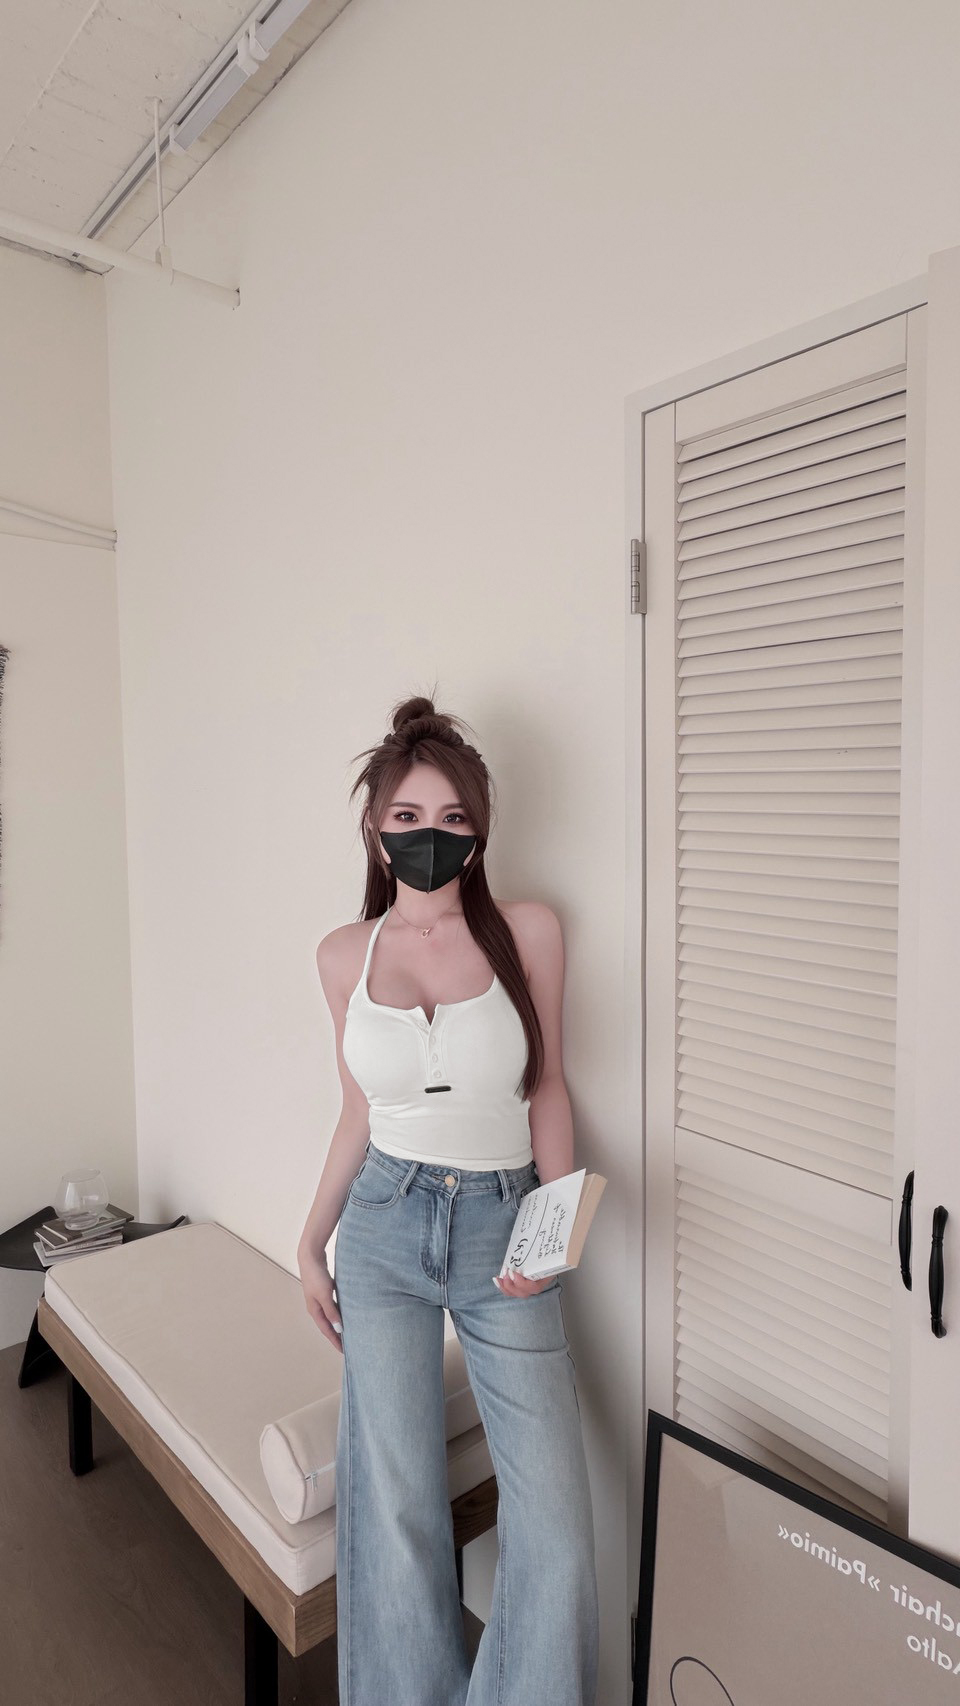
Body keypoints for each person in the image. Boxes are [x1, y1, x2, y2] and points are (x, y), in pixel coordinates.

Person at [297, 693, 599, 1706]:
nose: (431, 836)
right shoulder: (344, 954)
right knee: (395, 1510)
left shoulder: (528, 930)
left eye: (454, 818)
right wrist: (310, 1242)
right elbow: (357, 1111)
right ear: (375, 829)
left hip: (503, 1224)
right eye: (409, 818)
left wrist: (555, 1237)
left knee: (553, 1520)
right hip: (381, 1226)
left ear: (480, 828)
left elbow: (548, 1087)